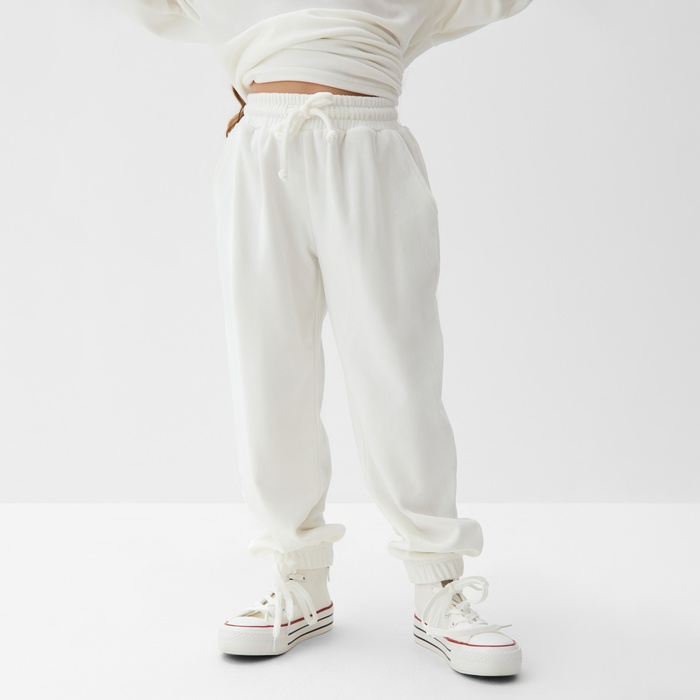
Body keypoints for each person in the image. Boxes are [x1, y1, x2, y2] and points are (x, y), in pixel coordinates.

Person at [110, 0, 535, 678]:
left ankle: (437, 586)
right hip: (261, 150)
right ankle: (299, 577)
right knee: (268, 371)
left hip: (369, 146)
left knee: (399, 375)